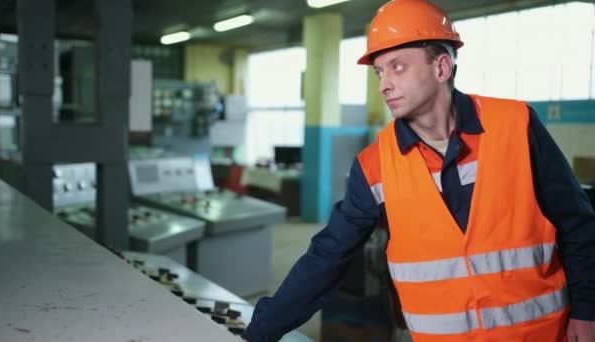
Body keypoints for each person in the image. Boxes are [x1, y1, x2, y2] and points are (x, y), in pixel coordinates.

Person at [242, 0, 595, 341]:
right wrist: (259, 332)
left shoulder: (516, 126)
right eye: (379, 71)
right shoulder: (375, 165)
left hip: (542, 335)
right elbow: (327, 257)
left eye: (397, 66)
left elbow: (577, 223)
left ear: (441, 68)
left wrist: (587, 310)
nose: (383, 84)